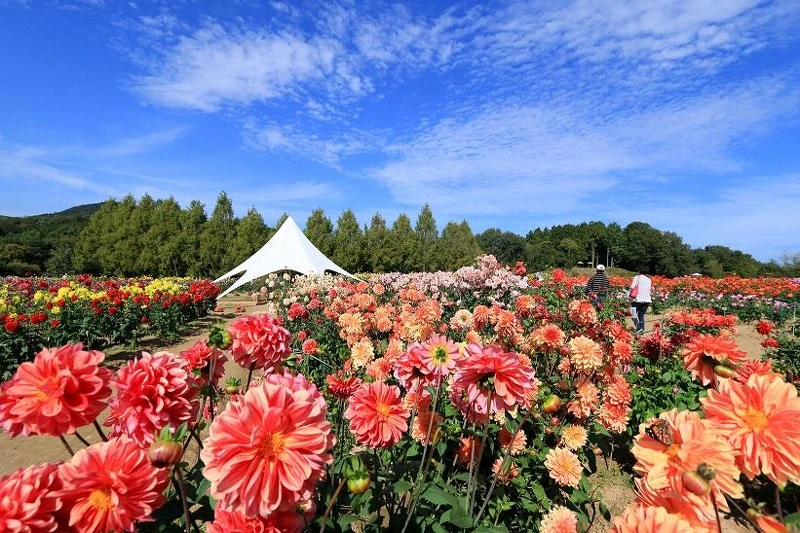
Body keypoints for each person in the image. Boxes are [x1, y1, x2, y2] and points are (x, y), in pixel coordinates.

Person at [629, 267, 653, 334]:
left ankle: (639, 328)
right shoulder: (649, 279)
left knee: (632, 314)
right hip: (647, 300)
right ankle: (642, 329)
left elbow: (632, 287)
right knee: (641, 315)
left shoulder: (637, 277)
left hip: (637, 300)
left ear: (639, 271)